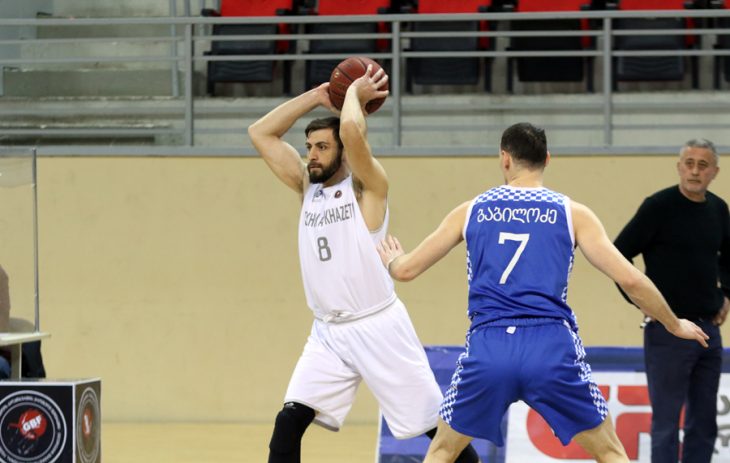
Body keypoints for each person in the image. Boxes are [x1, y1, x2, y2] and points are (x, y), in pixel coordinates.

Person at [376, 122, 710, 463]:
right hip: (551, 347)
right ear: (547, 159)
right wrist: (673, 324)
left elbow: (406, 271)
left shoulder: (471, 210)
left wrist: (392, 261)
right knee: (610, 452)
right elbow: (632, 281)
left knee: (443, 450)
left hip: (489, 345)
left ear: (505, 158)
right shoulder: (572, 213)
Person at [248, 66, 479, 463]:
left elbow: (354, 133)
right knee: (288, 421)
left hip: (379, 327)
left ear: (342, 152)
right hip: (327, 331)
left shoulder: (366, 188)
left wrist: (353, 93)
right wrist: (317, 96)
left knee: (437, 431)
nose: (312, 155)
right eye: (309, 147)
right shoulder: (306, 187)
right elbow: (260, 133)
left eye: (322, 147)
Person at [613, 138, 730, 463]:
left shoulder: (719, 210)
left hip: (707, 331)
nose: (695, 171)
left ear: (715, 172)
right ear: (679, 167)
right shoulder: (658, 207)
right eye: (689, 164)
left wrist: (726, 294)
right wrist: (640, 301)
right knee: (666, 423)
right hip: (667, 330)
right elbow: (619, 253)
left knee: (704, 422)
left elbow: (728, 257)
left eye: (703, 165)